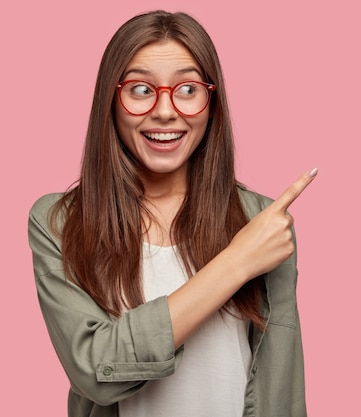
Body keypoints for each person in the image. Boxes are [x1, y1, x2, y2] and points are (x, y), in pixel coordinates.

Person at [28, 10, 315, 417]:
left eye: (187, 89)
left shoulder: (262, 222)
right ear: (111, 100)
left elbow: (282, 389)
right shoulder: (59, 222)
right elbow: (95, 369)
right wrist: (236, 262)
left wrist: (252, 248)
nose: (165, 111)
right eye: (142, 89)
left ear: (210, 103)